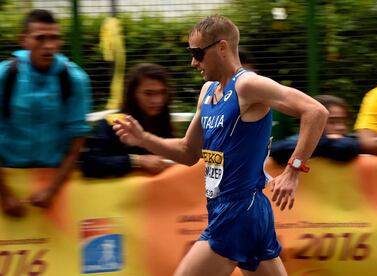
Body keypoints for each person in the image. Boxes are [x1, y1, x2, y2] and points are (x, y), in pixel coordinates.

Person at [113, 15, 328, 276]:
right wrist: (143, 138)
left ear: (222, 47)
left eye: (197, 53)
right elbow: (188, 152)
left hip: (239, 212)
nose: (193, 62)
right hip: (240, 211)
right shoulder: (207, 92)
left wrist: (293, 170)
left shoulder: (247, 85)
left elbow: (315, 111)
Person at [0, 9, 91, 217]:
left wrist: (52, 190)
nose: (49, 46)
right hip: (7, 178)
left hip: (54, 181)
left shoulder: (75, 79)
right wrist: (4, 195)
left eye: (54, 38)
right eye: (40, 38)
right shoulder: (5, 76)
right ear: (23, 40)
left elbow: (77, 142)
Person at [81, 63, 174, 177]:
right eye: (148, 93)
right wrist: (137, 160)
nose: (157, 100)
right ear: (132, 94)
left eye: (162, 93)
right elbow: (91, 163)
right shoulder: (113, 123)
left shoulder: (162, 122)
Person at [271, 94, 360, 164]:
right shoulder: (295, 141)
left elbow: (347, 147)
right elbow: (279, 151)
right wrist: (325, 142)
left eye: (343, 121)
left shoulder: (350, 141)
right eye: (332, 121)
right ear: (313, 121)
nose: (341, 127)